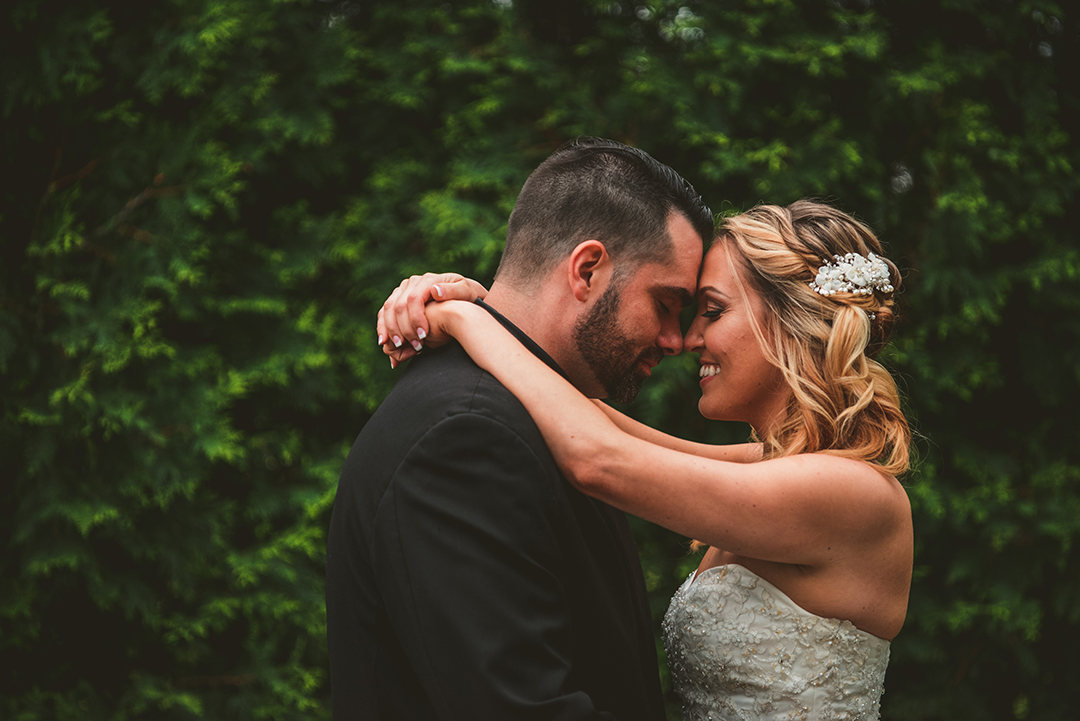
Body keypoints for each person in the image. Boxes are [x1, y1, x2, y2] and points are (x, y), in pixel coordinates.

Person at [379, 200, 912, 720]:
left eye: (713, 311)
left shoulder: (849, 492)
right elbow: (579, 412)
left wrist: (460, 319)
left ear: (791, 322)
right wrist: (497, 308)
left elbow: (598, 457)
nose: (689, 339)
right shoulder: (772, 465)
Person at [325, 137, 715, 719]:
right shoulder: (467, 436)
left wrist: (463, 315)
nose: (677, 339)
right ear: (587, 269)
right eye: (666, 303)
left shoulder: (538, 414)